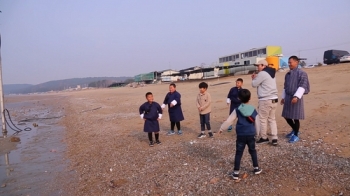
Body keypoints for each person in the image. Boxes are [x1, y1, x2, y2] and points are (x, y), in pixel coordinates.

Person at [219, 89, 262, 180]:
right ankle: (256, 168)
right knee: (253, 151)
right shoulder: (253, 109)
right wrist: (257, 133)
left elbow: (229, 120)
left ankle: (236, 172)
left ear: (239, 98)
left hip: (241, 134)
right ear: (249, 98)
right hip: (250, 134)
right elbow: (257, 122)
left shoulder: (237, 109)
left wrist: (222, 128)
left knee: (239, 153)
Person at [281, 56, 310, 143]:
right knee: (286, 116)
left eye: (291, 62)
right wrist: (283, 97)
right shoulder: (288, 74)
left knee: (295, 117)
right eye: (289, 62)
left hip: (296, 98)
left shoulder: (302, 73)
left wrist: (296, 96)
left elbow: (303, 85)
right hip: (288, 96)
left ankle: (296, 135)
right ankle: (295, 130)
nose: (289, 64)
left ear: (296, 62)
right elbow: (285, 86)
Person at [251, 59, 279, 146]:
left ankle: (264, 137)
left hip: (266, 99)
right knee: (272, 119)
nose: (257, 67)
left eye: (258, 65)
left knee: (262, 119)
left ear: (263, 65)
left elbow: (254, 84)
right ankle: (274, 137)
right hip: (274, 98)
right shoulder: (272, 73)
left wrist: (253, 78)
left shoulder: (262, 73)